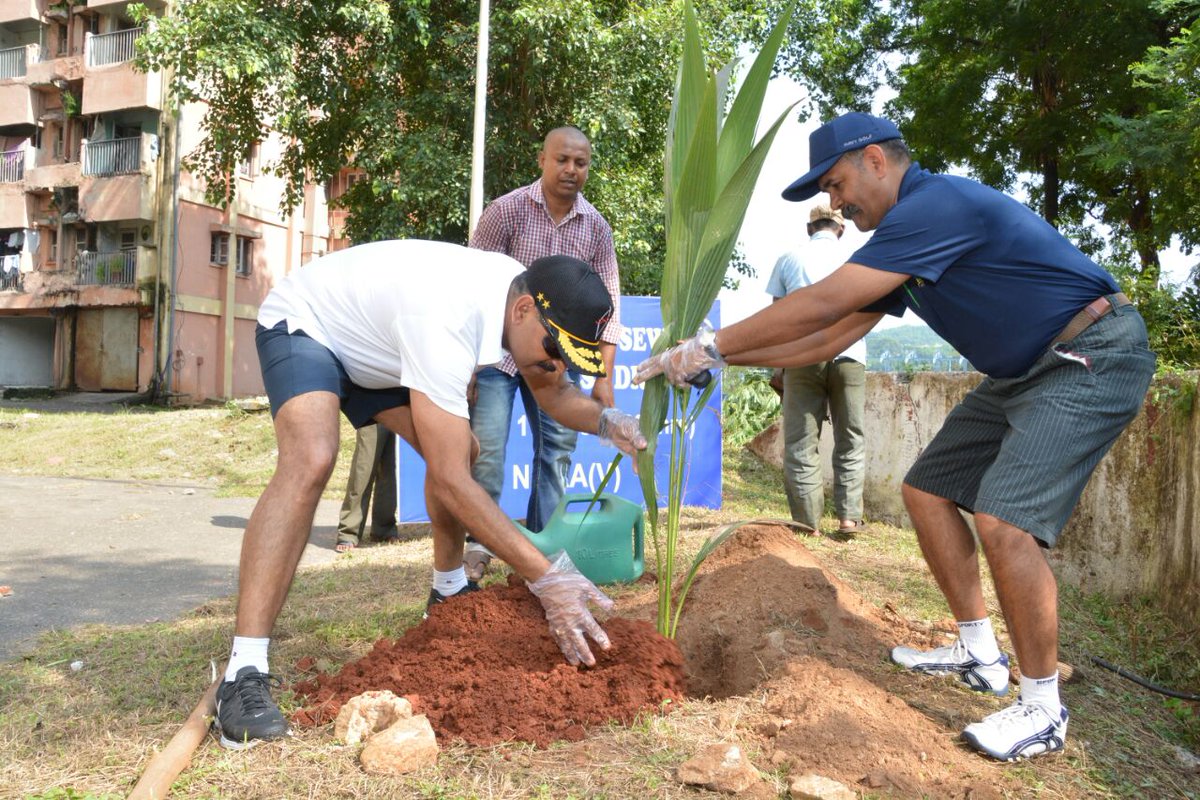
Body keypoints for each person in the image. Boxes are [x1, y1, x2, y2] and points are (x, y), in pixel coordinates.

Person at [635, 112, 1156, 762]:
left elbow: (824, 303)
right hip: (1024, 368)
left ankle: (1042, 709)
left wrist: (709, 342)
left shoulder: (936, 206)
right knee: (927, 490)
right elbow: (829, 337)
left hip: (1087, 352)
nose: (837, 203)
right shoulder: (908, 242)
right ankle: (976, 650)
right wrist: (717, 361)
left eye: (836, 182)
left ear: (875, 159)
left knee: (1003, 523)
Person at [215, 240, 646, 750]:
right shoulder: (448, 318)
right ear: (523, 310)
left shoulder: (523, 297)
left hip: (382, 351)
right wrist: (547, 576)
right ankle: (243, 671)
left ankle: (447, 589)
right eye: (553, 350)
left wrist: (605, 420)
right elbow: (451, 484)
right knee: (312, 457)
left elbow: (552, 392)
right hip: (311, 323)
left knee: (460, 447)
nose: (554, 364)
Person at [464, 126, 622, 580]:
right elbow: (473, 286)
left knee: (556, 452)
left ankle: (544, 551)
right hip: (497, 356)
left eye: (581, 163)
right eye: (563, 160)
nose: (571, 170)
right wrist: (471, 362)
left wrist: (603, 377)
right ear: (543, 159)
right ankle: (479, 548)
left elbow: (607, 307)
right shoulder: (506, 211)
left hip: (555, 360)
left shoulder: (596, 227)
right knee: (488, 453)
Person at [765, 204, 866, 537]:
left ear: (810, 228)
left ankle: (808, 523)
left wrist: (778, 366)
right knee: (850, 437)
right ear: (841, 228)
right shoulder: (858, 260)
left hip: (803, 354)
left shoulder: (789, 258)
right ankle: (849, 519)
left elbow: (778, 319)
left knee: (801, 441)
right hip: (851, 354)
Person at [335, 423, 398, 553]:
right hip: (374, 407)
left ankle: (384, 528)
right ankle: (349, 531)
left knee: (390, 467)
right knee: (364, 467)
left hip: (403, 405)